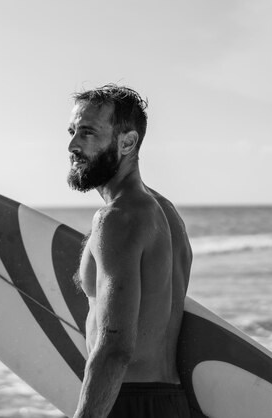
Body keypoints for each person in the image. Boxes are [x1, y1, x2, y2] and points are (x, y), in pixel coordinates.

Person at [67, 84, 193, 418]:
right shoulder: (166, 214)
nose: (73, 145)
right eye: (72, 131)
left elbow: (115, 348)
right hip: (172, 402)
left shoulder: (118, 218)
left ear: (127, 142)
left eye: (88, 133)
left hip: (128, 402)